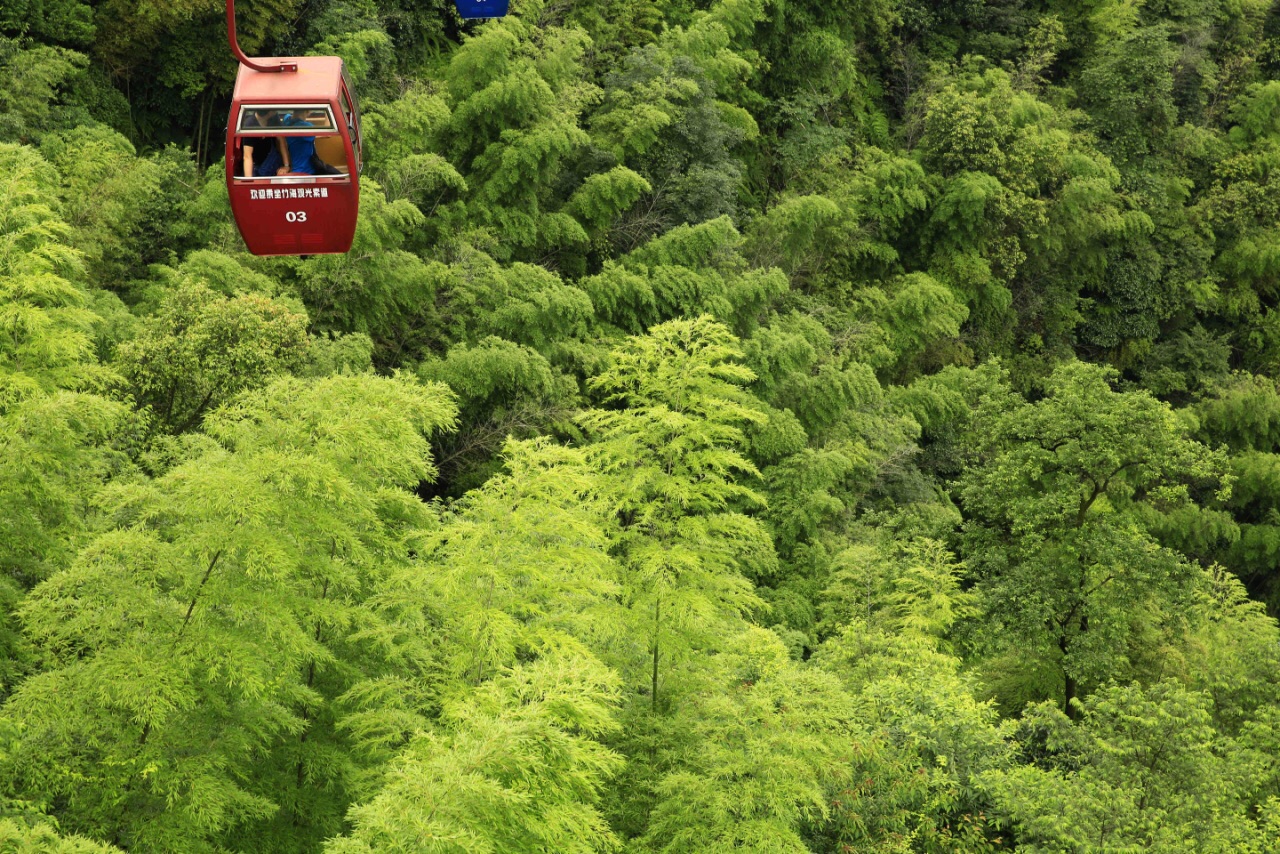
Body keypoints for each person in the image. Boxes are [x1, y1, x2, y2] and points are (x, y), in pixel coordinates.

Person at [242, 109, 290, 177]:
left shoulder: (274, 118)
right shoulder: (249, 125)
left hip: (272, 161)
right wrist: (249, 179)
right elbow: (247, 156)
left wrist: (286, 166)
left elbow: (281, 140)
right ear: (270, 112)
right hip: (256, 164)